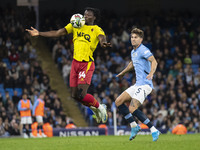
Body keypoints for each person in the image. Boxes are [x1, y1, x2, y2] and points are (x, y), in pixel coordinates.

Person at [26, 7, 111, 123]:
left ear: (94, 17)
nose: (85, 16)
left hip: (86, 64)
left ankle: (100, 107)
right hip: (75, 63)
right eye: (85, 14)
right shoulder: (76, 25)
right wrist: (39, 33)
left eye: (89, 15)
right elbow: (58, 32)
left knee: (82, 94)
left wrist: (103, 43)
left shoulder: (97, 29)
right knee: (74, 95)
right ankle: (96, 108)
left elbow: (102, 38)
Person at [115, 28, 160, 141]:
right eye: (132, 37)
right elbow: (132, 63)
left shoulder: (143, 50)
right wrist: (122, 73)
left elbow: (154, 61)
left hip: (145, 84)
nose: (133, 39)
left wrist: (151, 73)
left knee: (132, 108)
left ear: (141, 39)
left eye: (136, 37)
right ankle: (134, 126)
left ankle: (153, 129)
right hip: (137, 84)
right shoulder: (133, 51)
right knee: (118, 101)